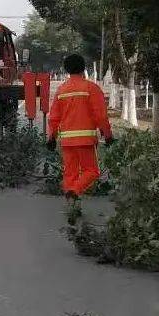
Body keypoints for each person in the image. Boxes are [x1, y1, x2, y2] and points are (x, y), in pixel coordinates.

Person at [46, 54, 114, 220]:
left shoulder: (61, 90)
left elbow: (54, 117)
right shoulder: (91, 88)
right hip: (85, 140)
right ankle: (74, 192)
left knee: (70, 174)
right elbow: (100, 116)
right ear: (83, 68)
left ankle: (72, 209)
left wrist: (51, 137)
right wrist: (108, 134)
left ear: (66, 70)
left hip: (67, 141)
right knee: (92, 171)